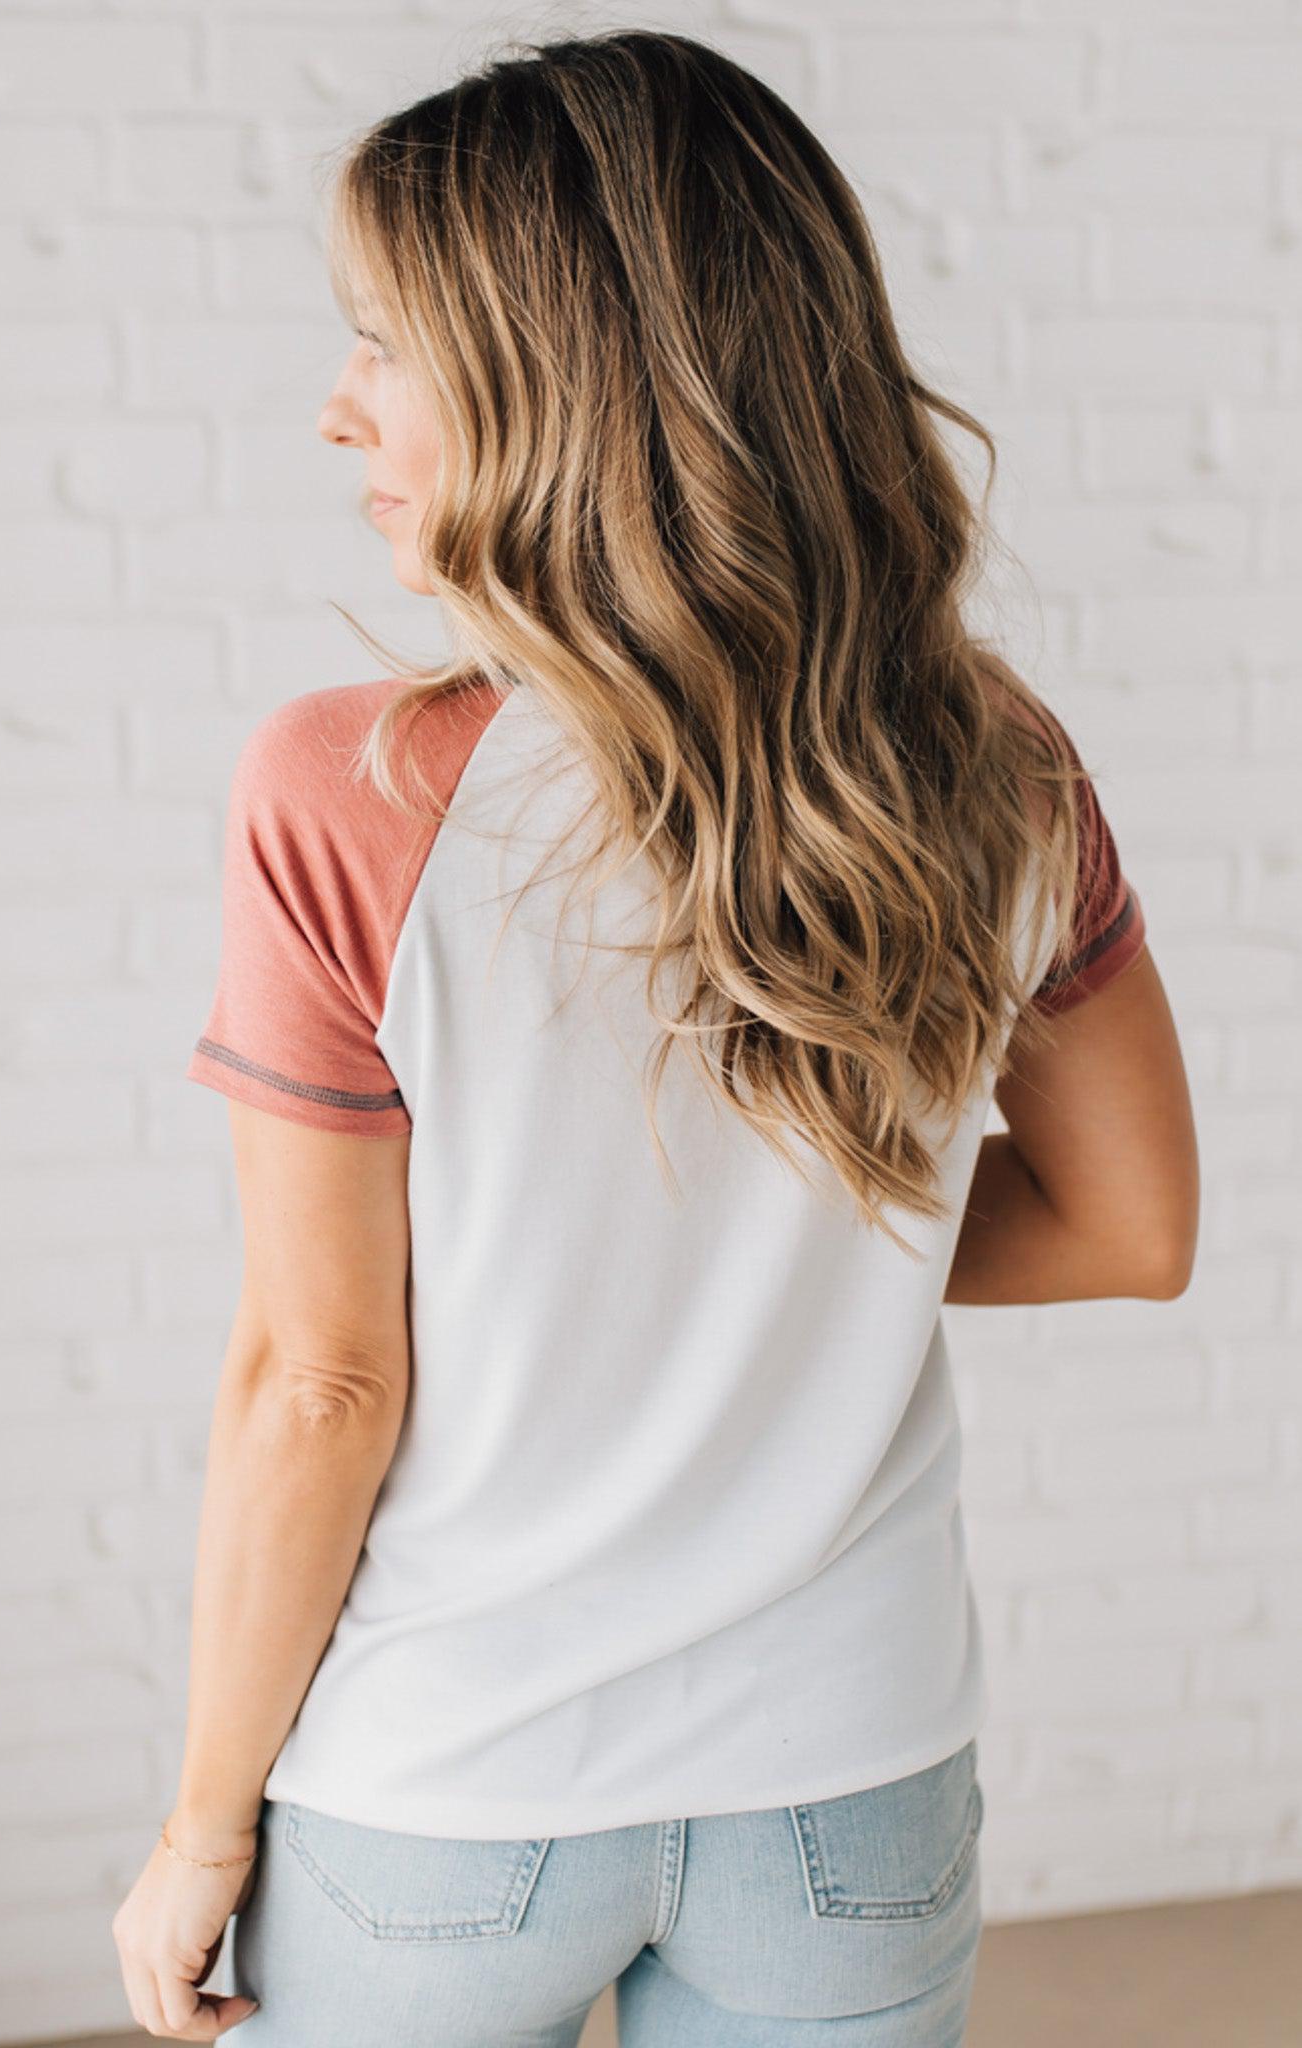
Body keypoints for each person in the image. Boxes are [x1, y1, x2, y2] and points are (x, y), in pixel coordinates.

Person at [110, 28, 1199, 2047]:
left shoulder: (345, 793)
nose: (335, 408)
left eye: (381, 346)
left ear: (558, 381)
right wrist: (806, 1249)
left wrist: (194, 1831)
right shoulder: (991, 768)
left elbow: (320, 1386)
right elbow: (1130, 1225)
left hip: (447, 1799)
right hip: (847, 1787)